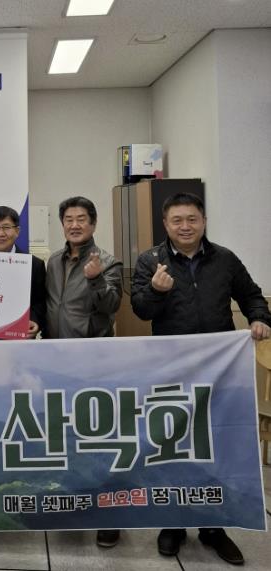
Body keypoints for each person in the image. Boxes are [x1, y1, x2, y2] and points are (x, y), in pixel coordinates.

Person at [131, 192, 270, 565]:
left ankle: (213, 527)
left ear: (204, 221)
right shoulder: (150, 261)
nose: (185, 226)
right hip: (171, 371)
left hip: (219, 371)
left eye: (192, 219)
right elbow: (140, 309)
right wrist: (157, 291)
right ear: (166, 224)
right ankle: (173, 523)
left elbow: (252, 297)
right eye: (177, 220)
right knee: (172, 445)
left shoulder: (225, 259)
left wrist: (259, 318)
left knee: (215, 446)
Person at [44, 196, 123, 548]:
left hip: (93, 362)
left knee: (99, 439)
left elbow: (112, 304)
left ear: (93, 223)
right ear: (62, 224)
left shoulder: (107, 261)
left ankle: (109, 515)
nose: (74, 225)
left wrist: (95, 280)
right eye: (68, 219)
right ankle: (73, 506)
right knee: (64, 439)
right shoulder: (52, 262)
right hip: (56, 360)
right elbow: (48, 305)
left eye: (81, 219)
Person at [0, 206, 46, 338]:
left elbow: (40, 303)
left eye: (6, 227)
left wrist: (34, 321)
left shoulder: (35, 265)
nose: (1, 233)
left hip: (18, 340)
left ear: (17, 231)